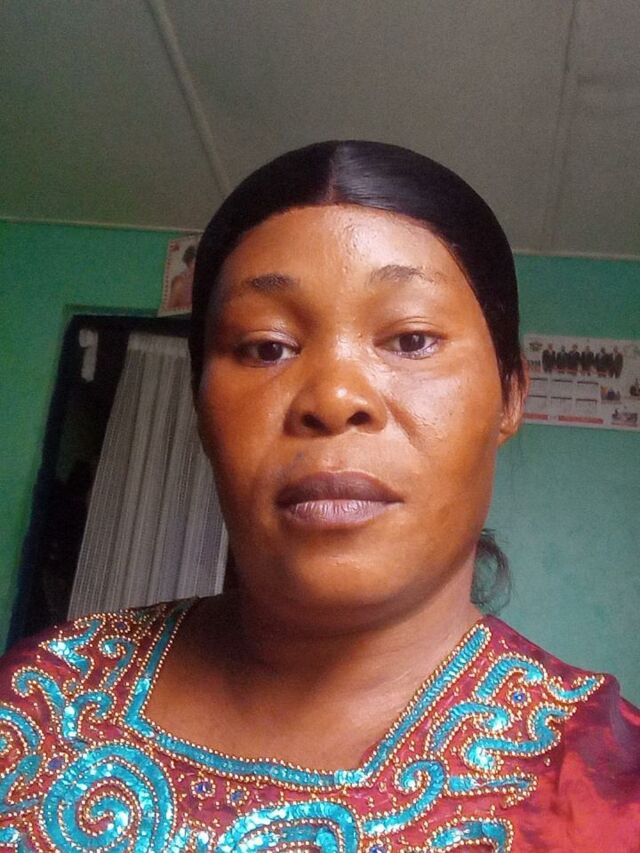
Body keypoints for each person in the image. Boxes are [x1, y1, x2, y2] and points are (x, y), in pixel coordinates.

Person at [0, 141, 638, 852]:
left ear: (510, 396)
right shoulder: (36, 701)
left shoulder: (606, 793)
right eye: (266, 347)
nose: (333, 398)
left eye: (412, 339)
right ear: (200, 405)